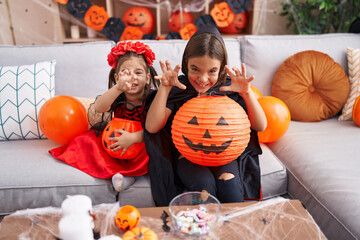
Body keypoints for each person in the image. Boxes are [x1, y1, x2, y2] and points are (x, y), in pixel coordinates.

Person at [144, 25, 267, 205]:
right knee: (204, 186)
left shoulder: (229, 88)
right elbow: (152, 127)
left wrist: (246, 94)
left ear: (221, 68)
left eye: (212, 71)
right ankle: (206, 230)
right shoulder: (180, 89)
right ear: (186, 64)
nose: (202, 79)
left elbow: (260, 126)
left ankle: (232, 229)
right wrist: (165, 88)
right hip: (188, 155)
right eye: (195, 69)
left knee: (229, 183)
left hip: (224, 154)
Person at [50, 41, 159, 192]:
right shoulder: (118, 94)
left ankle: (128, 177)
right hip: (115, 141)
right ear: (116, 77)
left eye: (138, 73)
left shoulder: (153, 98)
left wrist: (133, 138)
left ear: (147, 78)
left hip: (141, 141)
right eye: (126, 72)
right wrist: (118, 88)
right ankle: (120, 174)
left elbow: (156, 128)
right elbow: (99, 108)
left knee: (152, 152)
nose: (132, 77)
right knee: (86, 141)